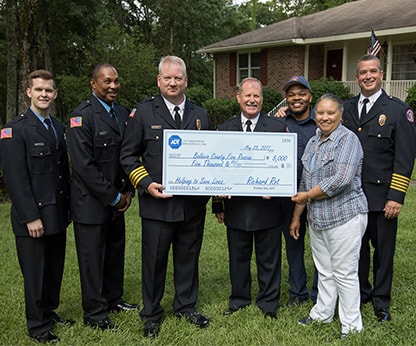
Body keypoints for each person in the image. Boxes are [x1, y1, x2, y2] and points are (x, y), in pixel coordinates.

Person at [120, 55, 212, 338]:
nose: (173, 83)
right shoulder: (143, 113)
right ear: (159, 80)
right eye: (167, 78)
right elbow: (127, 156)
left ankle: (186, 306)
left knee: (188, 259)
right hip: (157, 205)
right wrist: (145, 183)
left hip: (191, 206)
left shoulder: (200, 114)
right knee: (154, 262)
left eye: (178, 78)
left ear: (186, 81)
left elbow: (212, 154)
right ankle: (151, 313)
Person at [0, 70, 73, 343]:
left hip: (56, 212)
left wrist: (67, 210)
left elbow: (61, 172)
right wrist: (30, 216)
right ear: (28, 92)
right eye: (39, 89)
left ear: (54, 94)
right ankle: (37, 325)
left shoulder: (56, 126)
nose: (44, 94)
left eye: (49, 90)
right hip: (32, 217)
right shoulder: (14, 130)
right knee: (35, 273)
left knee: (54, 268)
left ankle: (49, 311)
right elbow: (15, 179)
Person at [342, 54, 416, 322]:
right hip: (351, 198)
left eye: (373, 71)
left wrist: (396, 196)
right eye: (362, 72)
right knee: (357, 250)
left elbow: (405, 158)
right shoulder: (346, 108)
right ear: (357, 77)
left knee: (383, 252)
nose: (368, 76)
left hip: (382, 197)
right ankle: (360, 294)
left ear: (381, 74)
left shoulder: (398, 111)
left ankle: (381, 300)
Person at [66, 63, 137, 330]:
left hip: (118, 199)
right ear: (93, 84)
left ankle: (113, 299)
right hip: (91, 204)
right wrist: (114, 196)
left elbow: (126, 155)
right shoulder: (81, 117)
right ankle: (95, 313)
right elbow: (84, 167)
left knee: (115, 253)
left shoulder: (122, 113)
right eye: (107, 82)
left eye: (116, 81)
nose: (113, 86)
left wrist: (128, 190)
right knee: (92, 259)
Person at [291, 94, 368, 338]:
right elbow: (305, 181)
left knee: (344, 273)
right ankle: (322, 314)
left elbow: (341, 181)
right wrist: (296, 217)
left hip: (345, 216)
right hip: (317, 219)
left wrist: (307, 197)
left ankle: (352, 327)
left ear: (340, 115)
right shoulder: (314, 142)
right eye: (321, 113)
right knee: (324, 271)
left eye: (331, 113)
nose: (325, 117)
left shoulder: (348, 140)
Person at [212, 77, 286, 319]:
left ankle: (268, 304)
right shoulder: (224, 129)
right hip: (237, 207)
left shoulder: (276, 128)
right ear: (238, 97)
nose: (252, 100)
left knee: (269, 260)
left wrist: (276, 188)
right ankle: (239, 300)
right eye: (248, 95)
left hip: (268, 207)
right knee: (238, 258)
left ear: (262, 100)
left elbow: (286, 168)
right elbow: (216, 170)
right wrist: (217, 203)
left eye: (257, 96)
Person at [276, 76, 318, 306]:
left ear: (310, 96)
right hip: (289, 195)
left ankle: (318, 292)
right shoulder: (279, 122)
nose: (296, 98)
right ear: (286, 99)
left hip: (318, 195)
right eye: (291, 94)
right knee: (293, 244)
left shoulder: (321, 121)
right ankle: (297, 292)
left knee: (320, 245)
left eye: (301, 93)